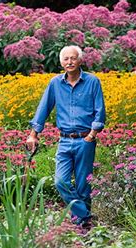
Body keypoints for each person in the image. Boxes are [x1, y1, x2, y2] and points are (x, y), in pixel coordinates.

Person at [26, 45, 106, 227]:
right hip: (64, 140)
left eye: (73, 58)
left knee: (83, 185)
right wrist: (33, 134)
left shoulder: (92, 82)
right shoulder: (55, 83)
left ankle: (82, 226)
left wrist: (92, 134)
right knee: (60, 181)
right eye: (65, 59)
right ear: (61, 62)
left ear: (80, 60)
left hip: (85, 139)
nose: (69, 62)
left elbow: (99, 110)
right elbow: (43, 108)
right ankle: (86, 216)